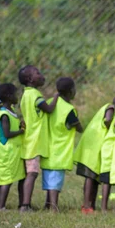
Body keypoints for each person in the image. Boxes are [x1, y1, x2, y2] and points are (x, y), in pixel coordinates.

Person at [18, 66, 59, 211]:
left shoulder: (25, 95)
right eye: (38, 73)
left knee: (29, 174)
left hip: (29, 140)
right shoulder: (35, 95)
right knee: (32, 173)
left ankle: (24, 204)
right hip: (34, 142)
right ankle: (25, 205)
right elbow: (48, 109)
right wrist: (55, 98)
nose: (41, 75)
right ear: (30, 79)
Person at [40, 77, 83, 211]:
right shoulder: (68, 109)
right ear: (71, 91)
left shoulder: (48, 103)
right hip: (59, 149)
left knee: (49, 178)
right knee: (55, 181)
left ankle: (47, 204)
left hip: (46, 147)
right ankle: (54, 207)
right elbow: (78, 127)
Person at [73, 102, 115, 214]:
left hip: (93, 147)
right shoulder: (111, 106)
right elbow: (107, 120)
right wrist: (113, 127)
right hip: (93, 148)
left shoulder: (103, 107)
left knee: (94, 180)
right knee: (90, 177)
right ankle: (86, 205)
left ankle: (91, 204)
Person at [0, 83, 25, 210]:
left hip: (12, 151)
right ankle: (1, 207)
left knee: (8, 178)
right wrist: (20, 131)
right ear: (8, 96)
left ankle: (0, 205)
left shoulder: (11, 111)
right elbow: (7, 133)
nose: (17, 96)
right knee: (6, 180)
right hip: (6, 152)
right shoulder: (4, 114)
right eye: (15, 94)